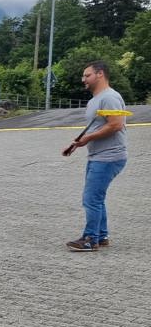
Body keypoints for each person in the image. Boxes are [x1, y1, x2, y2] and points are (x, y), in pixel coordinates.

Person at [63, 60, 128, 252]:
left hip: (109, 157)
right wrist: (79, 142)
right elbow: (99, 126)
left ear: (100, 74)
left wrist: (88, 138)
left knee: (91, 198)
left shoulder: (110, 97)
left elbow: (116, 125)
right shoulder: (95, 100)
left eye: (87, 75)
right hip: (98, 155)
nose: (83, 79)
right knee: (97, 197)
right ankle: (102, 235)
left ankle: (91, 239)